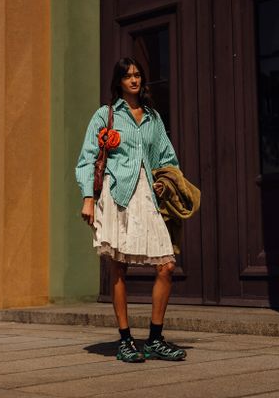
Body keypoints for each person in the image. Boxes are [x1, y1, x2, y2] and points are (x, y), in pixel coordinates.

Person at [75, 57, 186, 363]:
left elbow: (167, 157)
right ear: (119, 82)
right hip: (117, 194)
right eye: (128, 76)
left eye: (138, 75)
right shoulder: (106, 115)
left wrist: (164, 180)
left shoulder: (152, 118)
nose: (134, 80)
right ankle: (125, 340)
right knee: (118, 265)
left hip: (147, 196)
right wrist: (88, 198)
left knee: (166, 264)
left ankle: (154, 338)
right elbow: (87, 159)